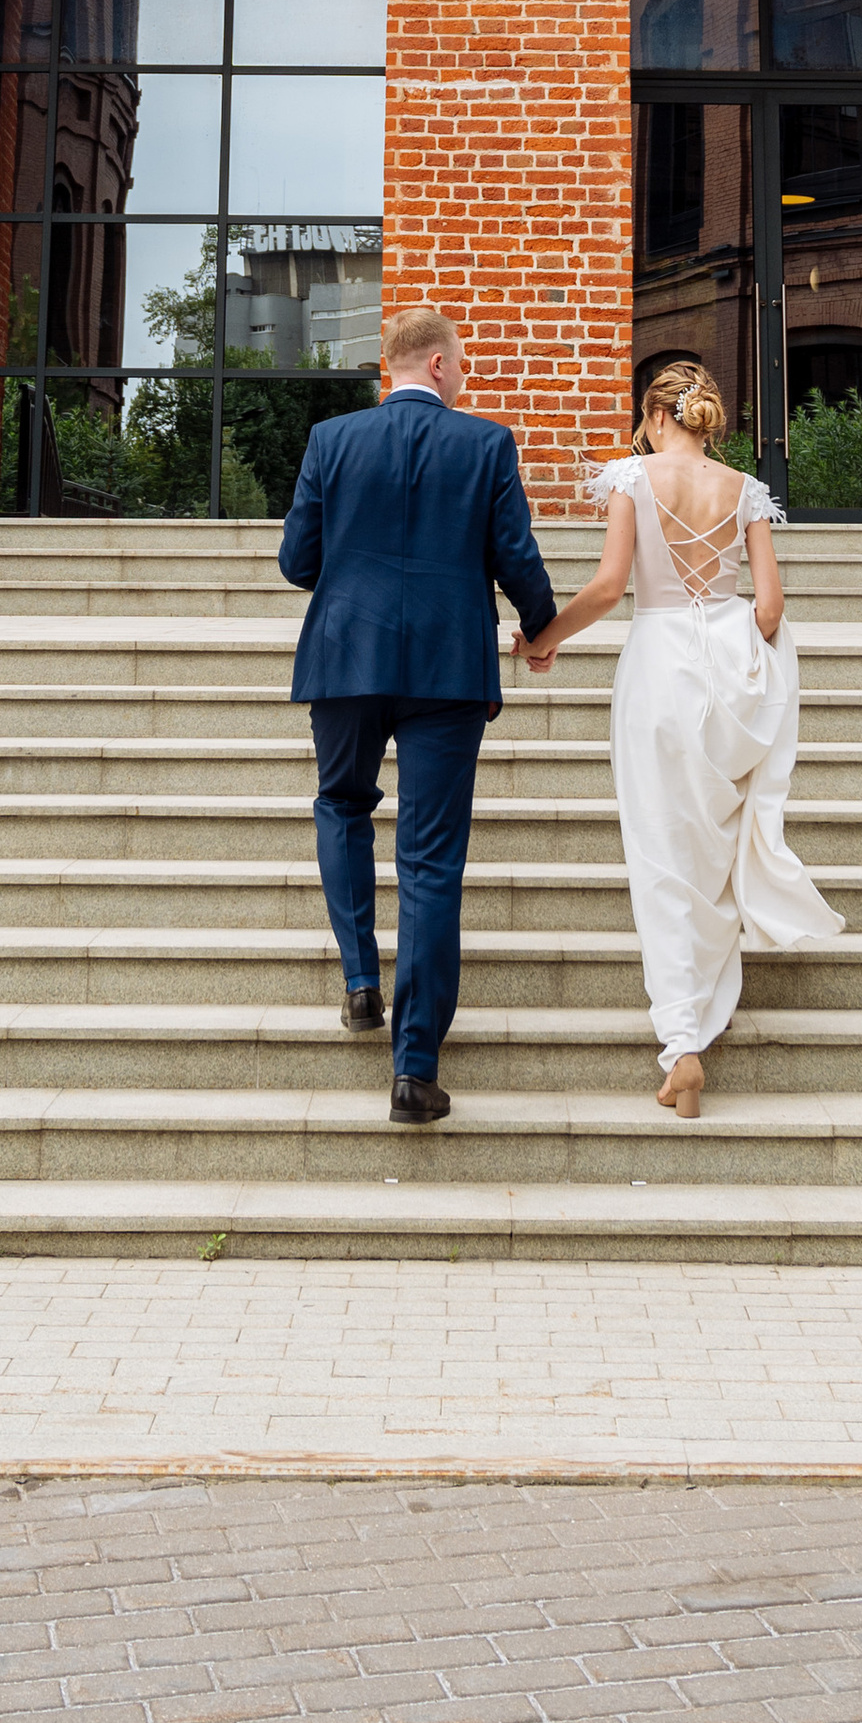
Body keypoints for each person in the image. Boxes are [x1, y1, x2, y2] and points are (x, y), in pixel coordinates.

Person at [520, 362, 842, 1115]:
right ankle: (702, 1012)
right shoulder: (746, 491)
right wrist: (746, 658)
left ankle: (683, 1046)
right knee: (713, 850)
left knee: (660, 853)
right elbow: (769, 606)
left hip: (659, 667)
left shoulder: (632, 478)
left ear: (655, 415)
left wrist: (544, 635)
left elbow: (608, 586)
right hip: (728, 672)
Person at [278, 304, 559, 1125]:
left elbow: (298, 561)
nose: (464, 373)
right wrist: (540, 629)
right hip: (445, 666)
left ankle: (361, 982)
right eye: (461, 361)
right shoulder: (485, 443)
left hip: (346, 660)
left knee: (341, 805)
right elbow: (518, 557)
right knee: (431, 862)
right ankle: (414, 1068)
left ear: (388, 365)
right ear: (436, 364)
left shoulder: (331, 440)